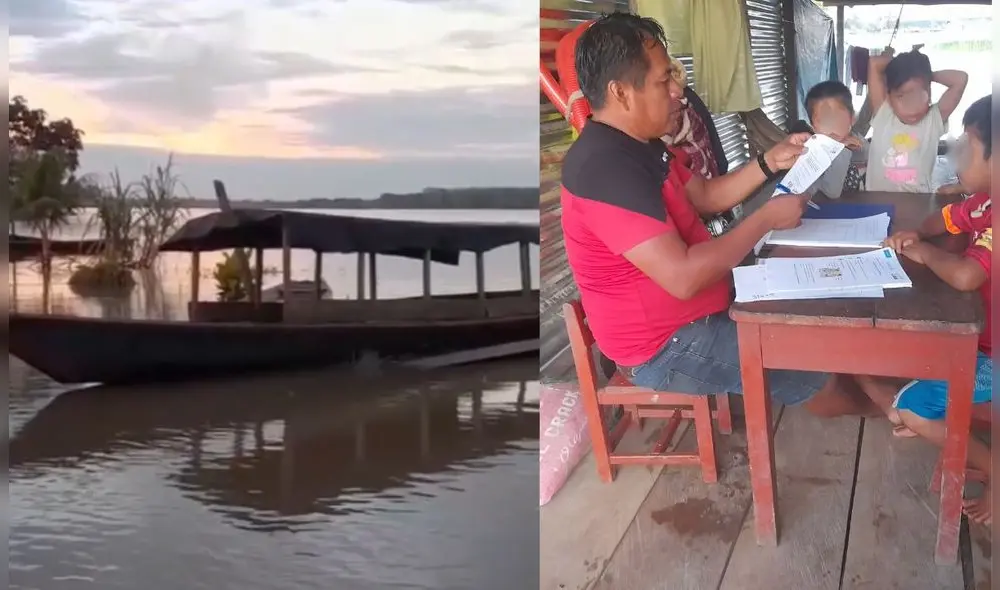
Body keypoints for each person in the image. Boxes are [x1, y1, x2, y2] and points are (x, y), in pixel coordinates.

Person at [561, 12, 877, 418]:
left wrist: (770, 161)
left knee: (815, 317)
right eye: (664, 81)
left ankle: (889, 400)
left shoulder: (639, 145)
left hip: (703, 309)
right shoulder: (604, 168)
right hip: (665, 345)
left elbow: (707, 195)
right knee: (811, 366)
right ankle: (887, 415)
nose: (678, 90)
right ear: (621, 93)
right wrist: (765, 219)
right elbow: (684, 276)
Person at [858, 94, 992, 526]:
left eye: (968, 146)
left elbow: (969, 276)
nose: (958, 155)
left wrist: (923, 253)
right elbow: (951, 218)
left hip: (989, 356)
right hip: (978, 336)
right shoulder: (985, 200)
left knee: (913, 409)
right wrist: (918, 230)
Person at [865, 48, 968, 193]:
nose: (912, 108)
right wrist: (906, 68)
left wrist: (925, 74)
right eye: (902, 97)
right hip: (877, 202)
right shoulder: (884, 114)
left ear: (930, 94)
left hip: (917, 203)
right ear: (889, 97)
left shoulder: (933, 120)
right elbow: (874, 63)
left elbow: (960, 78)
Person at [790, 80, 869, 195]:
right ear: (814, 128)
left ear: (852, 119)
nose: (831, 125)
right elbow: (832, 192)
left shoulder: (859, 142)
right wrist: (841, 149)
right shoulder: (811, 156)